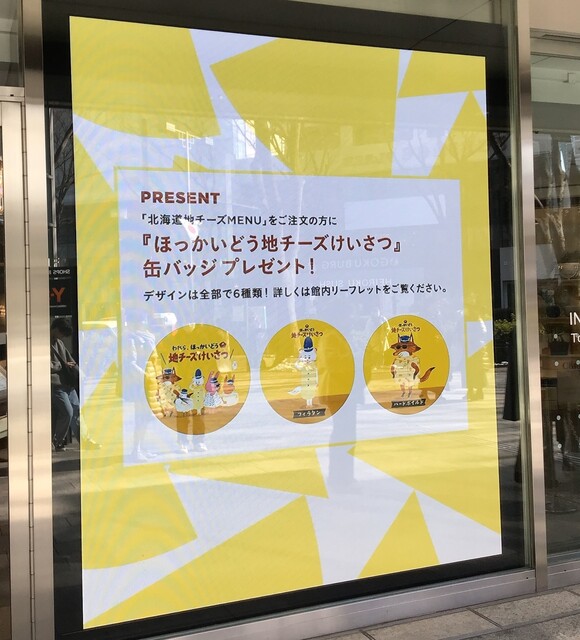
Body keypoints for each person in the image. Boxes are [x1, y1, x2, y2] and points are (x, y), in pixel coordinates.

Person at [50, 317, 99, 450]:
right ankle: (58, 441)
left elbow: (69, 359)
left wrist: (79, 372)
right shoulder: (45, 343)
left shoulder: (59, 342)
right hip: (56, 384)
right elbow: (47, 364)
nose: (62, 336)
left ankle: (85, 440)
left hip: (66, 383)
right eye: (62, 333)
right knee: (68, 412)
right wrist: (62, 365)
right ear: (56, 329)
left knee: (76, 412)